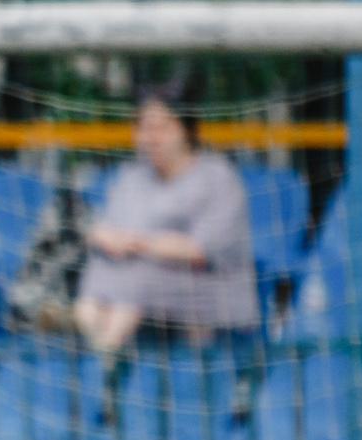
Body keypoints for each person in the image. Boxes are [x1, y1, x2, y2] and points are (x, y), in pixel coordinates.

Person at [74, 87, 256, 353]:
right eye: (144, 128)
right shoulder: (132, 177)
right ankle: (103, 351)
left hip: (207, 290)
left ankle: (108, 358)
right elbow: (109, 230)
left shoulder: (218, 177)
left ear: (186, 130)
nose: (151, 138)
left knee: (133, 284)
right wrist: (103, 236)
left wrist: (138, 243)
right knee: (97, 277)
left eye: (162, 128)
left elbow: (202, 250)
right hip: (136, 292)